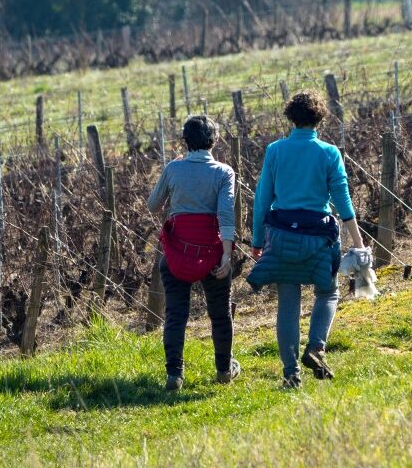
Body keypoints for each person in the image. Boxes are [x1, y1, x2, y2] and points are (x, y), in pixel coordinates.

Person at [246, 91, 368, 389]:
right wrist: (359, 244)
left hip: (282, 236)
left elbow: (263, 199)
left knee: (288, 303)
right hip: (319, 239)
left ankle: (291, 374)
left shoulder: (275, 150)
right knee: (327, 293)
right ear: (320, 118)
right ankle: (316, 347)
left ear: (290, 117)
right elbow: (343, 201)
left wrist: (257, 241)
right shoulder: (329, 153)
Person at [145, 114, 240, 392]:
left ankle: (174, 374)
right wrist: (226, 255)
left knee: (176, 315)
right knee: (220, 313)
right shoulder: (224, 173)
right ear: (215, 140)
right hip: (211, 252)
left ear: (185, 141)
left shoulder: (173, 169)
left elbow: (152, 205)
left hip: (177, 254)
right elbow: (225, 214)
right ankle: (224, 369)